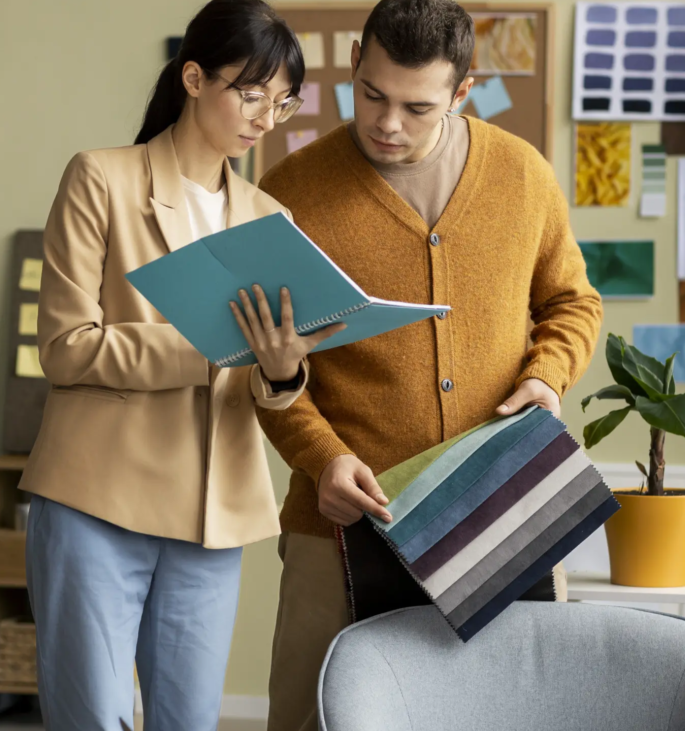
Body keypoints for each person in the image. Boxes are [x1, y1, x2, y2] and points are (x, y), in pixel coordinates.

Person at [255, 1, 605, 729]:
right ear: (353, 60)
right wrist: (321, 459)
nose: (387, 123)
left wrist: (546, 375)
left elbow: (575, 305)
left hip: (506, 506)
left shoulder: (522, 176)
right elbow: (267, 373)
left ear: (463, 92)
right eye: (373, 94)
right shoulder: (288, 194)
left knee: (517, 710)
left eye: (417, 107)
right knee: (311, 715)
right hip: (342, 524)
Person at [18, 2, 344, 729]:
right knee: (91, 719)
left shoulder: (270, 220)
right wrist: (207, 345)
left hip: (212, 515)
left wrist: (283, 371)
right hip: (94, 499)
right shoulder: (100, 179)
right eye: (250, 93)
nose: (266, 116)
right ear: (194, 78)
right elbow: (67, 346)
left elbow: (264, 385)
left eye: (281, 100)